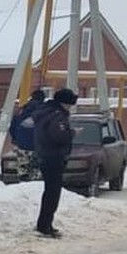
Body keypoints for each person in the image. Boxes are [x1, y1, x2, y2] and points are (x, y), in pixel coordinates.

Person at [33, 88, 78, 238]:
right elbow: (59, 136)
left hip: (45, 155)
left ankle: (44, 224)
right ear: (64, 103)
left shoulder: (46, 112)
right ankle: (45, 226)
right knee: (53, 193)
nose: (70, 107)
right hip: (53, 157)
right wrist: (72, 133)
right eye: (70, 104)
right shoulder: (56, 116)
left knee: (50, 192)